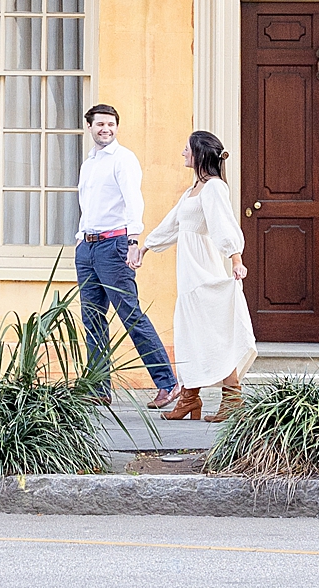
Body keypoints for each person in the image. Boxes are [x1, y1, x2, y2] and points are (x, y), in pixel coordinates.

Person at [141, 130, 257, 422]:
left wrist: (235, 257)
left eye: (186, 149)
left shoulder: (214, 188)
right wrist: (145, 247)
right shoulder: (192, 189)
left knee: (210, 333)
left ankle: (232, 397)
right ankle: (190, 398)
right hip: (189, 272)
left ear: (199, 154)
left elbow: (223, 224)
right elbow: (173, 223)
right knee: (190, 333)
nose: (182, 153)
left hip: (203, 269)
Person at [75, 103, 181, 409]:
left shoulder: (123, 160)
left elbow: (134, 201)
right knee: (92, 318)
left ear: (117, 127)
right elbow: (87, 206)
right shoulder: (90, 164)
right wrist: (80, 240)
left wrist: (134, 239)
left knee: (130, 313)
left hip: (114, 246)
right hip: (88, 247)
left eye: (111, 124)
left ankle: (167, 383)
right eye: (100, 124)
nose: (105, 129)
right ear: (90, 127)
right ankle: (99, 387)